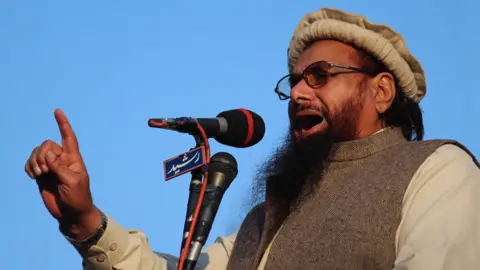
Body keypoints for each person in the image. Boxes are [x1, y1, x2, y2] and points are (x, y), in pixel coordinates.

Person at [25, 7, 480, 270]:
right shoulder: (265, 218)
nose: (299, 92)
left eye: (320, 76)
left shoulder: (436, 171)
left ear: (380, 91)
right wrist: (84, 220)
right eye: (295, 81)